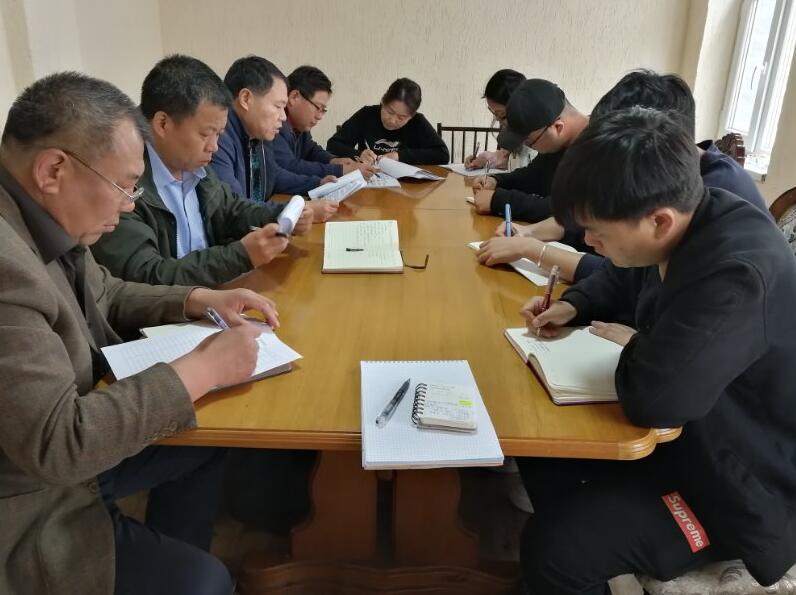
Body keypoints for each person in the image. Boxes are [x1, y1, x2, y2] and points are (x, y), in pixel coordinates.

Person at [0, 71, 282, 595]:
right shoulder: (7, 264)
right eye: (123, 186)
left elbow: (105, 291)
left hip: (66, 451)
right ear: (53, 169)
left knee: (202, 445)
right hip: (31, 495)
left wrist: (198, 298)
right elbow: (60, 445)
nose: (130, 204)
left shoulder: (41, 215)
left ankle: (152, 548)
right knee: (206, 582)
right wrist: (202, 368)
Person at [516, 106, 796, 594]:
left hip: (741, 482)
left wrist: (636, 341)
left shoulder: (734, 273)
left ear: (659, 222)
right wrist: (574, 305)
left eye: (598, 232)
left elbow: (655, 398)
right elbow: (624, 276)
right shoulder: (683, 220)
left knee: (557, 548)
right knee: (542, 453)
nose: (591, 243)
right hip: (688, 438)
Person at [477, 70, 768, 283]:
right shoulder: (672, 174)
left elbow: (629, 278)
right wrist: (530, 236)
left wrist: (534, 249)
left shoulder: (710, 200)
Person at [91, 54, 312, 287]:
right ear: (163, 123)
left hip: (215, 294)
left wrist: (281, 215)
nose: (214, 147)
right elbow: (147, 275)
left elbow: (230, 208)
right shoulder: (122, 183)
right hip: (172, 306)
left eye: (219, 134)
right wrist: (241, 256)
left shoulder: (192, 164)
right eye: (205, 134)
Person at [212, 55, 338, 223]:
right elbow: (233, 208)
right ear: (246, 99)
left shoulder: (257, 134)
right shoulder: (217, 139)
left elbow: (274, 176)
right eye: (278, 106)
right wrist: (296, 211)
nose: (283, 117)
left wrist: (317, 183)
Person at [470, 78, 589, 222]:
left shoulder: (604, 147)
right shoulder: (557, 142)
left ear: (557, 127)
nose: (528, 146)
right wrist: (496, 181)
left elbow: (573, 212)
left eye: (529, 141)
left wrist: (498, 201)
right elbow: (534, 175)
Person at [270, 65, 375, 195]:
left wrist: (333, 160)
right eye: (318, 107)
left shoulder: (299, 125)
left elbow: (311, 150)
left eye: (323, 110)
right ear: (294, 97)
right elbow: (289, 166)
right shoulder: (274, 125)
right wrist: (341, 170)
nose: (319, 116)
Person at [326, 77, 449, 165]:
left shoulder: (418, 122)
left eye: (401, 118)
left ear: (411, 116)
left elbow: (442, 154)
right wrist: (359, 153)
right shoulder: (366, 115)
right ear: (383, 102)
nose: (392, 120)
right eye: (390, 112)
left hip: (407, 186)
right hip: (369, 181)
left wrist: (399, 156)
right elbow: (333, 145)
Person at [464, 68, 529, 171]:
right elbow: (506, 157)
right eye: (495, 113)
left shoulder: (536, 138)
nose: (498, 120)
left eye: (502, 115)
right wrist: (485, 159)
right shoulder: (511, 135)